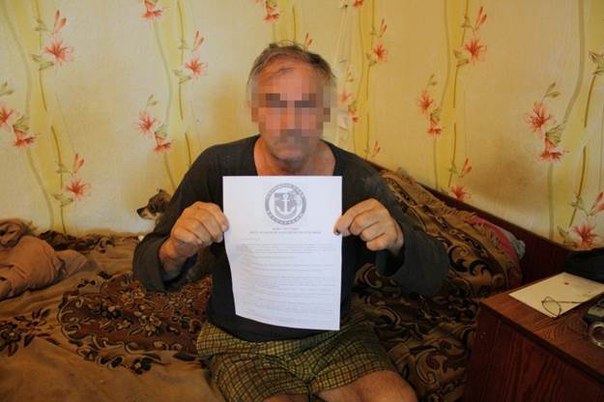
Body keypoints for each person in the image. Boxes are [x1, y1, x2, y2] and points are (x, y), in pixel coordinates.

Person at [133, 42, 448, 402]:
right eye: (275, 104)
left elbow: (434, 275)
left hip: (335, 336)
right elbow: (145, 266)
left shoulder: (359, 179)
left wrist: (398, 240)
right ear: (254, 110)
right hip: (241, 341)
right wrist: (174, 249)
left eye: (306, 104)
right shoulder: (216, 166)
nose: (290, 122)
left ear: (325, 111)